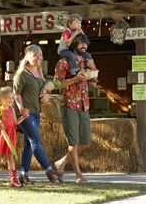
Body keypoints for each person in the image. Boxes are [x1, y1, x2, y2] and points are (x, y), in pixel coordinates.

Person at [13, 44, 63, 184]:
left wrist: (47, 95)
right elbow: (16, 94)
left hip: (36, 113)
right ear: (28, 56)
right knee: (36, 141)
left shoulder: (39, 72)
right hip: (25, 114)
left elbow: (43, 90)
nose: (39, 58)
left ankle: (23, 174)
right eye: (35, 55)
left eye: (40, 55)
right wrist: (21, 109)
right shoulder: (21, 74)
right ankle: (50, 171)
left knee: (29, 144)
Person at [54, 33, 95, 184]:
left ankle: (62, 163)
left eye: (85, 44)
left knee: (85, 142)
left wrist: (93, 71)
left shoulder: (86, 61)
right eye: (80, 44)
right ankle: (78, 175)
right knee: (73, 143)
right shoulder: (63, 62)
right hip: (69, 104)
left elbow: (94, 83)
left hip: (84, 105)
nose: (84, 46)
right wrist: (74, 79)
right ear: (73, 45)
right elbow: (57, 85)